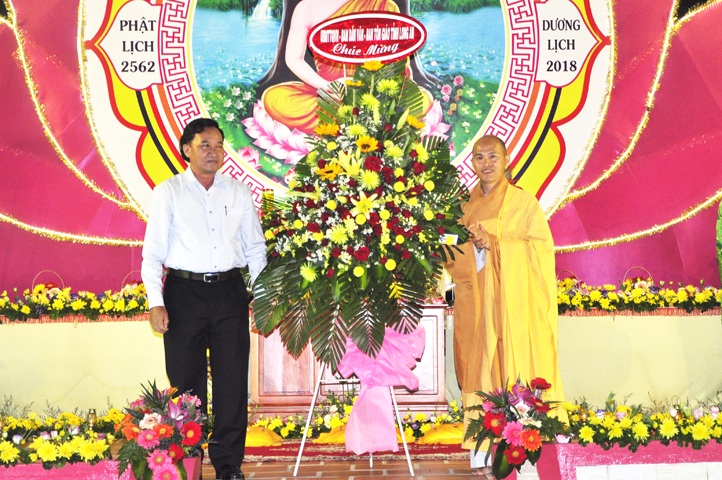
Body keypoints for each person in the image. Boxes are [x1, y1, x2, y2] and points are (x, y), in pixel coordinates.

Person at [141, 118, 267, 480]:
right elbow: (152, 254)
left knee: (232, 380)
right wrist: (155, 301)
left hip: (229, 292)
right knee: (185, 381)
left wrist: (261, 297)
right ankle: (189, 460)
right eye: (205, 145)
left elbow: (255, 249)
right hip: (183, 294)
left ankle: (228, 464)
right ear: (187, 149)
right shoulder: (169, 192)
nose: (213, 152)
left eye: (218, 145)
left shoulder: (238, 192)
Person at [445, 135, 565, 477]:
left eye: (493, 157)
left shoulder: (524, 204)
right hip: (476, 305)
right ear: (472, 163)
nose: (486, 164)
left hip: (514, 307)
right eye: (479, 157)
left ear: (507, 159)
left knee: (512, 368)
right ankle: (481, 450)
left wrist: (495, 244)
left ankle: (519, 448)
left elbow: (540, 252)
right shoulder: (463, 209)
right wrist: (470, 248)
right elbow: (452, 260)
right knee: (477, 369)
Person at [260, 0, 431, 135]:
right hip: (329, 94)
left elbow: (397, 60)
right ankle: (367, 121)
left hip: (373, 92)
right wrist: (329, 86)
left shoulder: (384, 4)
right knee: (275, 99)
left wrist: (376, 89)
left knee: (421, 99)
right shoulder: (307, 7)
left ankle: (358, 118)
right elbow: (293, 59)